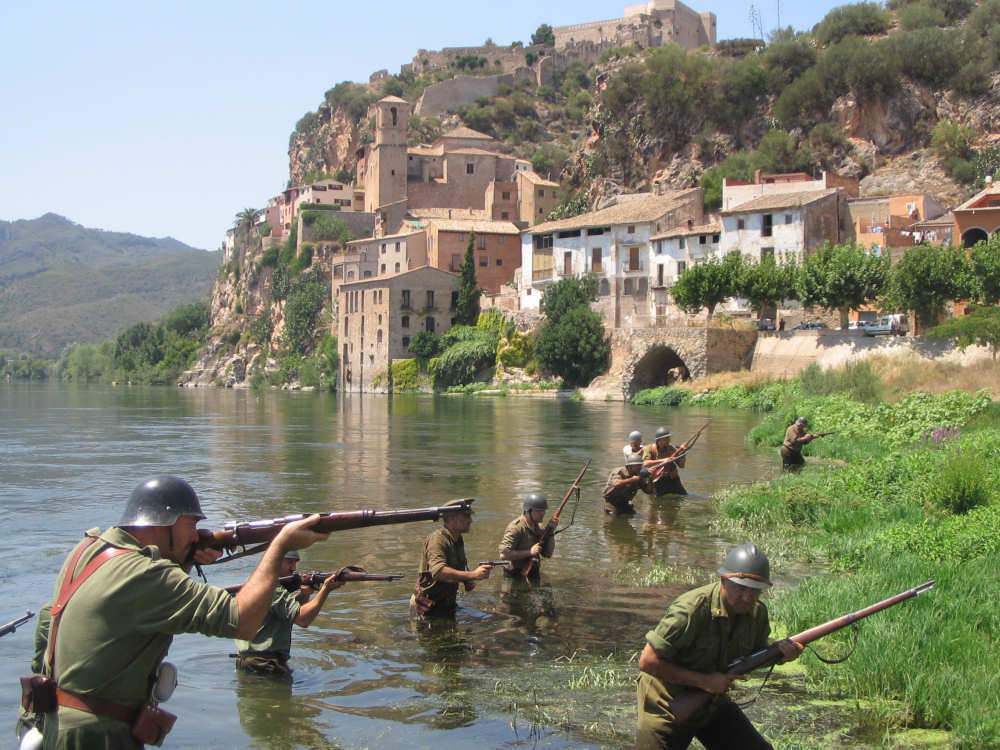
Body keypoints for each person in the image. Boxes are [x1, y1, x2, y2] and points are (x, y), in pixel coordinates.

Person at [21, 475, 327, 750]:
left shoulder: (88, 550)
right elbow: (242, 620)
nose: (196, 535)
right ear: (163, 523)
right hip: (99, 737)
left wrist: (185, 560)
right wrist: (279, 545)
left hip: (56, 724)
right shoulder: (146, 575)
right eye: (191, 525)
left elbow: (48, 624)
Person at [636, 543, 804, 750]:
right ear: (724, 580)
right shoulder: (691, 610)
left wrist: (780, 655)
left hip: (711, 702)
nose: (748, 597)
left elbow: (754, 656)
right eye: (741, 588)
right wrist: (704, 681)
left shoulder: (757, 614)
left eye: (755, 591)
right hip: (666, 705)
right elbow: (648, 661)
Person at [233, 550, 350, 677]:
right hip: (263, 664)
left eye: (295, 563)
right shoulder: (269, 587)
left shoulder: (257, 581)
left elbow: (285, 612)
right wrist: (326, 590)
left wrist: (305, 594)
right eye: (289, 562)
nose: (293, 568)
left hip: (252, 662)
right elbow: (303, 619)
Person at [411, 498, 491, 618]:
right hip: (426, 608)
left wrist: (467, 580)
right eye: (466, 517)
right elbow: (438, 572)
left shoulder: (457, 539)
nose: (470, 520)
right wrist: (473, 575)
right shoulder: (437, 539)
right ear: (452, 519)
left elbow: (458, 564)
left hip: (446, 604)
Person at [498, 493, 556, 583]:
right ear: (529, 511)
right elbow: (504, 555)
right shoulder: (515, 528)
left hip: (533, 572)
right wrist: (530, 552)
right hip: (514, 575)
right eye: (539, 511)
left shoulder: (539, 527)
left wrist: (551, 531)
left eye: (544, 511)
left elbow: (548, 554)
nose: (543, 513)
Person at [642, 426, 688, 496]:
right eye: (666, 438)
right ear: (659, 440)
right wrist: (664, 460)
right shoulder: (650, 448)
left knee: (683, 496)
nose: (669, 440)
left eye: (668, 438)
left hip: (672, 478)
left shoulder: (671, 448)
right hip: (658, 480)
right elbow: (646, 463)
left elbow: (681, 466)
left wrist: (683, 454)